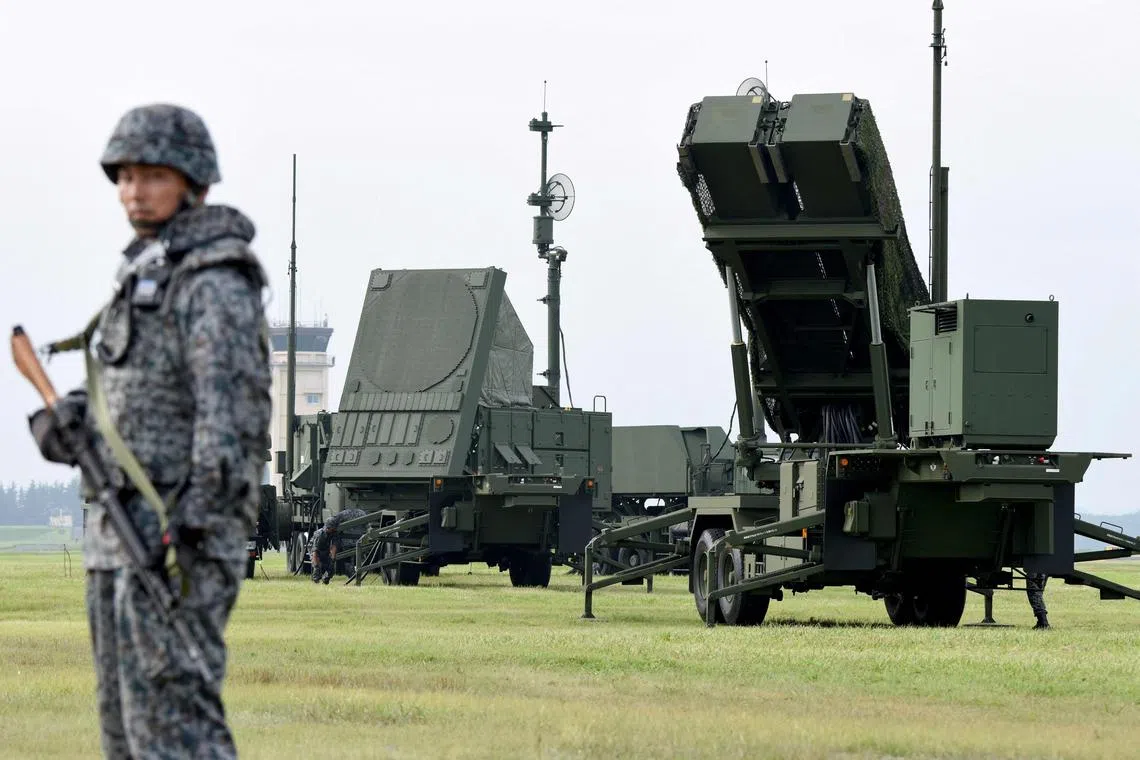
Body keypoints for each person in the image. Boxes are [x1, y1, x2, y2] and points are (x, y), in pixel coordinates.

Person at [28, 103, 270, 758]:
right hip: (117, 534)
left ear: (195, 182)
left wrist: (191, 524)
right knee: (125, 731)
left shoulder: (213, 280)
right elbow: (127, 385)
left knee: (177, 724)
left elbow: (233, 413)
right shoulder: (145, 275)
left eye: (154, 175)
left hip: (173, 541)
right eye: (126, 176)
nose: (135, 190)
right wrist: (71, 415)